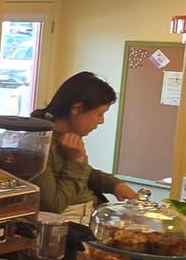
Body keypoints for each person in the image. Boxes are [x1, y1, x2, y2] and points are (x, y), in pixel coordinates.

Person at [33, 71, 139, 213]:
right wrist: (76, 160)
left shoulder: (69, 136)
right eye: (99, 114)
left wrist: (114, 184)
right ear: (77, 109)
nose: (101, 121)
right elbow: (52, 207)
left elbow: (85, 173)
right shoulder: (39, 146)